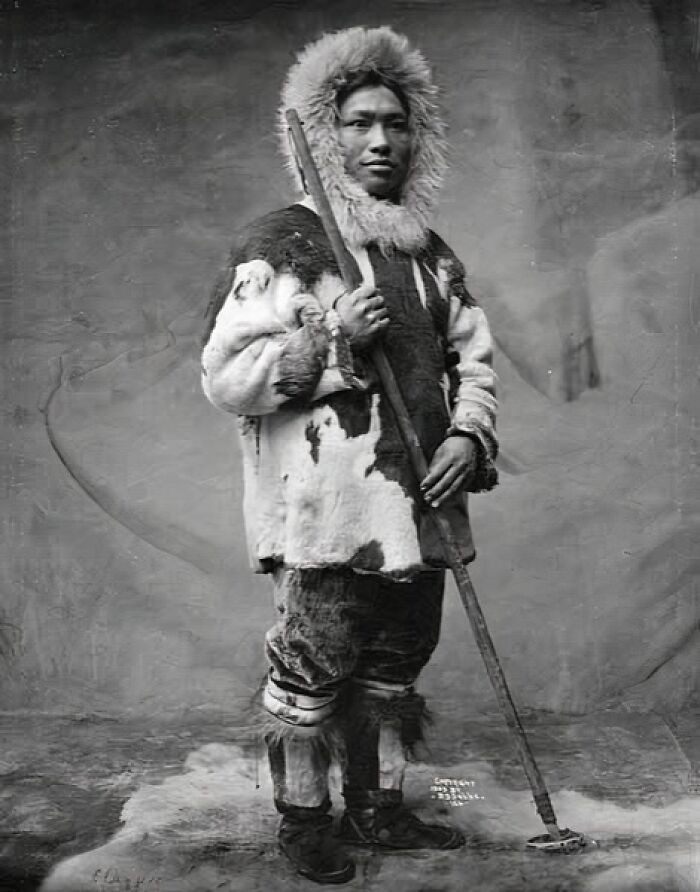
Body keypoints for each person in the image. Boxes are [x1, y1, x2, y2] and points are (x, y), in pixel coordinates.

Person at [201, 26, 498, 885]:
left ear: (418, 136)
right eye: (360, 122)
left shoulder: (429, 256)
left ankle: (381, 809)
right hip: (329, 511)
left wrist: (466, 437)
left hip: (421, 505)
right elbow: (227, 376)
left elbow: (473, 361)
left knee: (397, 665)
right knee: (314, 666)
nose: (380, 141)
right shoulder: (281, 249)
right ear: (323, 136)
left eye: (396, 124)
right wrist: (333, 340)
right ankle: (304, 823)